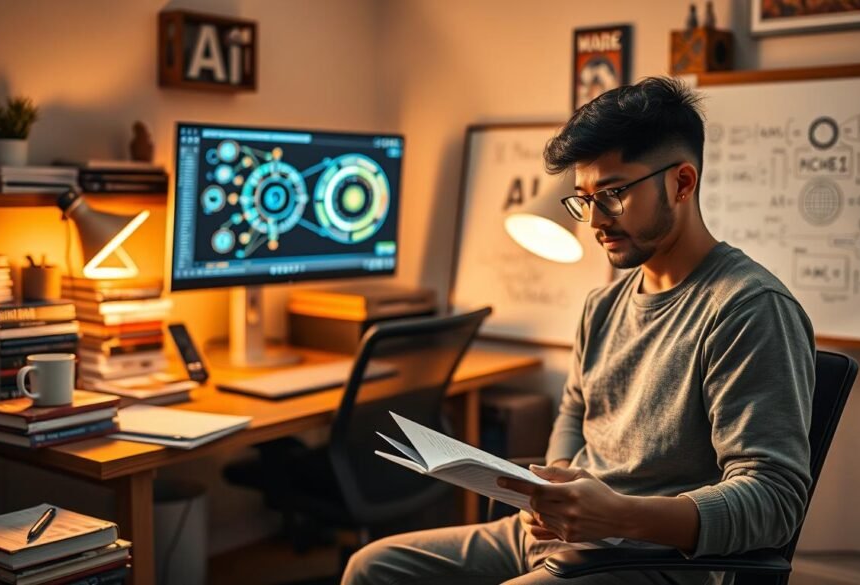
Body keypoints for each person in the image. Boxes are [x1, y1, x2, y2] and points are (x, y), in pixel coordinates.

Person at [342, 76, 815, 584]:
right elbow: (575, 410)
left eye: (612, 195)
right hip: (557, 538)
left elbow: (774, 499)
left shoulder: (746, 307)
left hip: (651, 559)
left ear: (682, 183)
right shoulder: (604, 305)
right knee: (372, 567)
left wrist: (615, 515)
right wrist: (552, 485)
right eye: (583, 199)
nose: (594, 222)